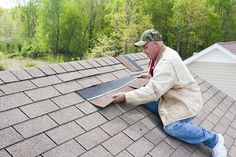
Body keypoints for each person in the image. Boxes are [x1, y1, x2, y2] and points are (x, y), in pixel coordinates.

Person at [112, 29, 227, 157]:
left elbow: (153, 91)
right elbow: (163, 77)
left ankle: (214, 139)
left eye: (145, 46)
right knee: (139, 97)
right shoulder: (163, 53)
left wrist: (125, 96)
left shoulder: (167, 61)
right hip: (172, 97)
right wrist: (150, 76)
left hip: (186, 102)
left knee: (172, 127)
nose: (143, 51)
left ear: (156, 43)